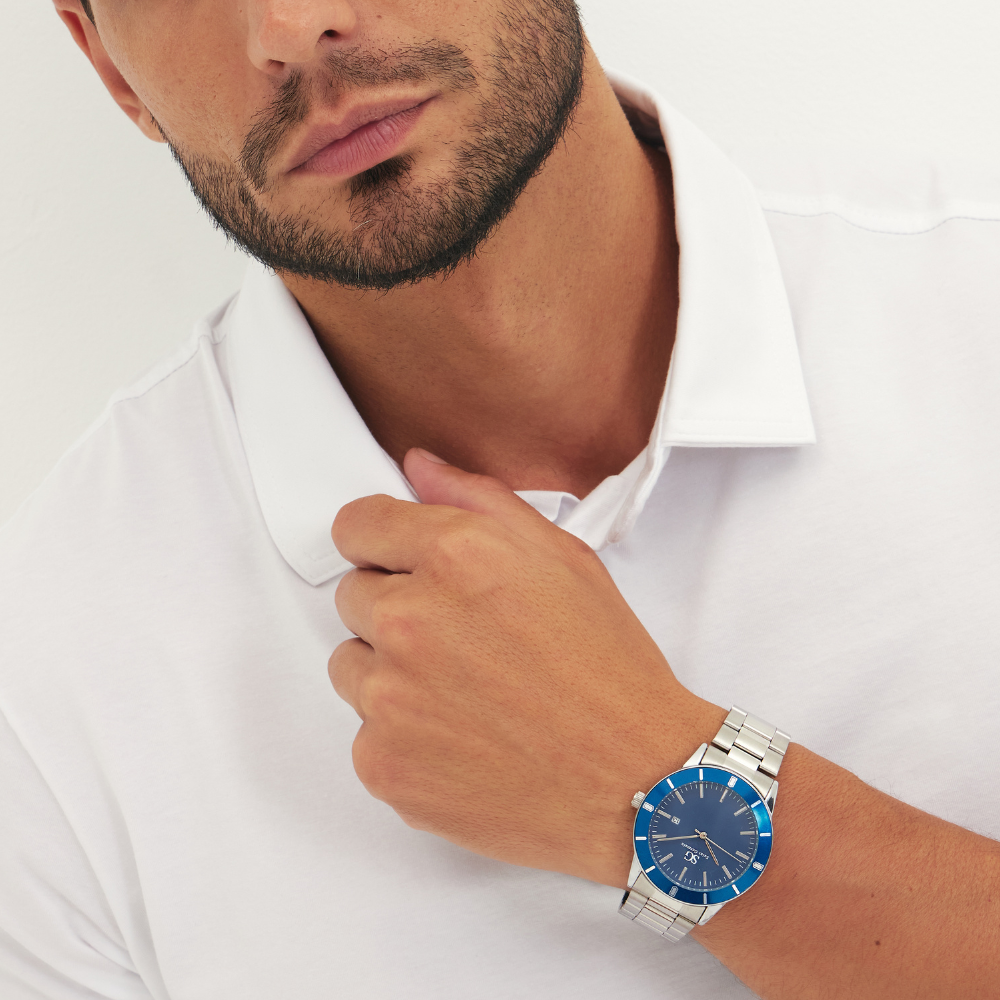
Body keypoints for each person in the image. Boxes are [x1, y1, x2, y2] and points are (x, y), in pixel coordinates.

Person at [1, 0, 997, 997]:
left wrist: (655, 788)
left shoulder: (971, 303)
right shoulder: (44, 707)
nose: (297, 24)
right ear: (111, 67)